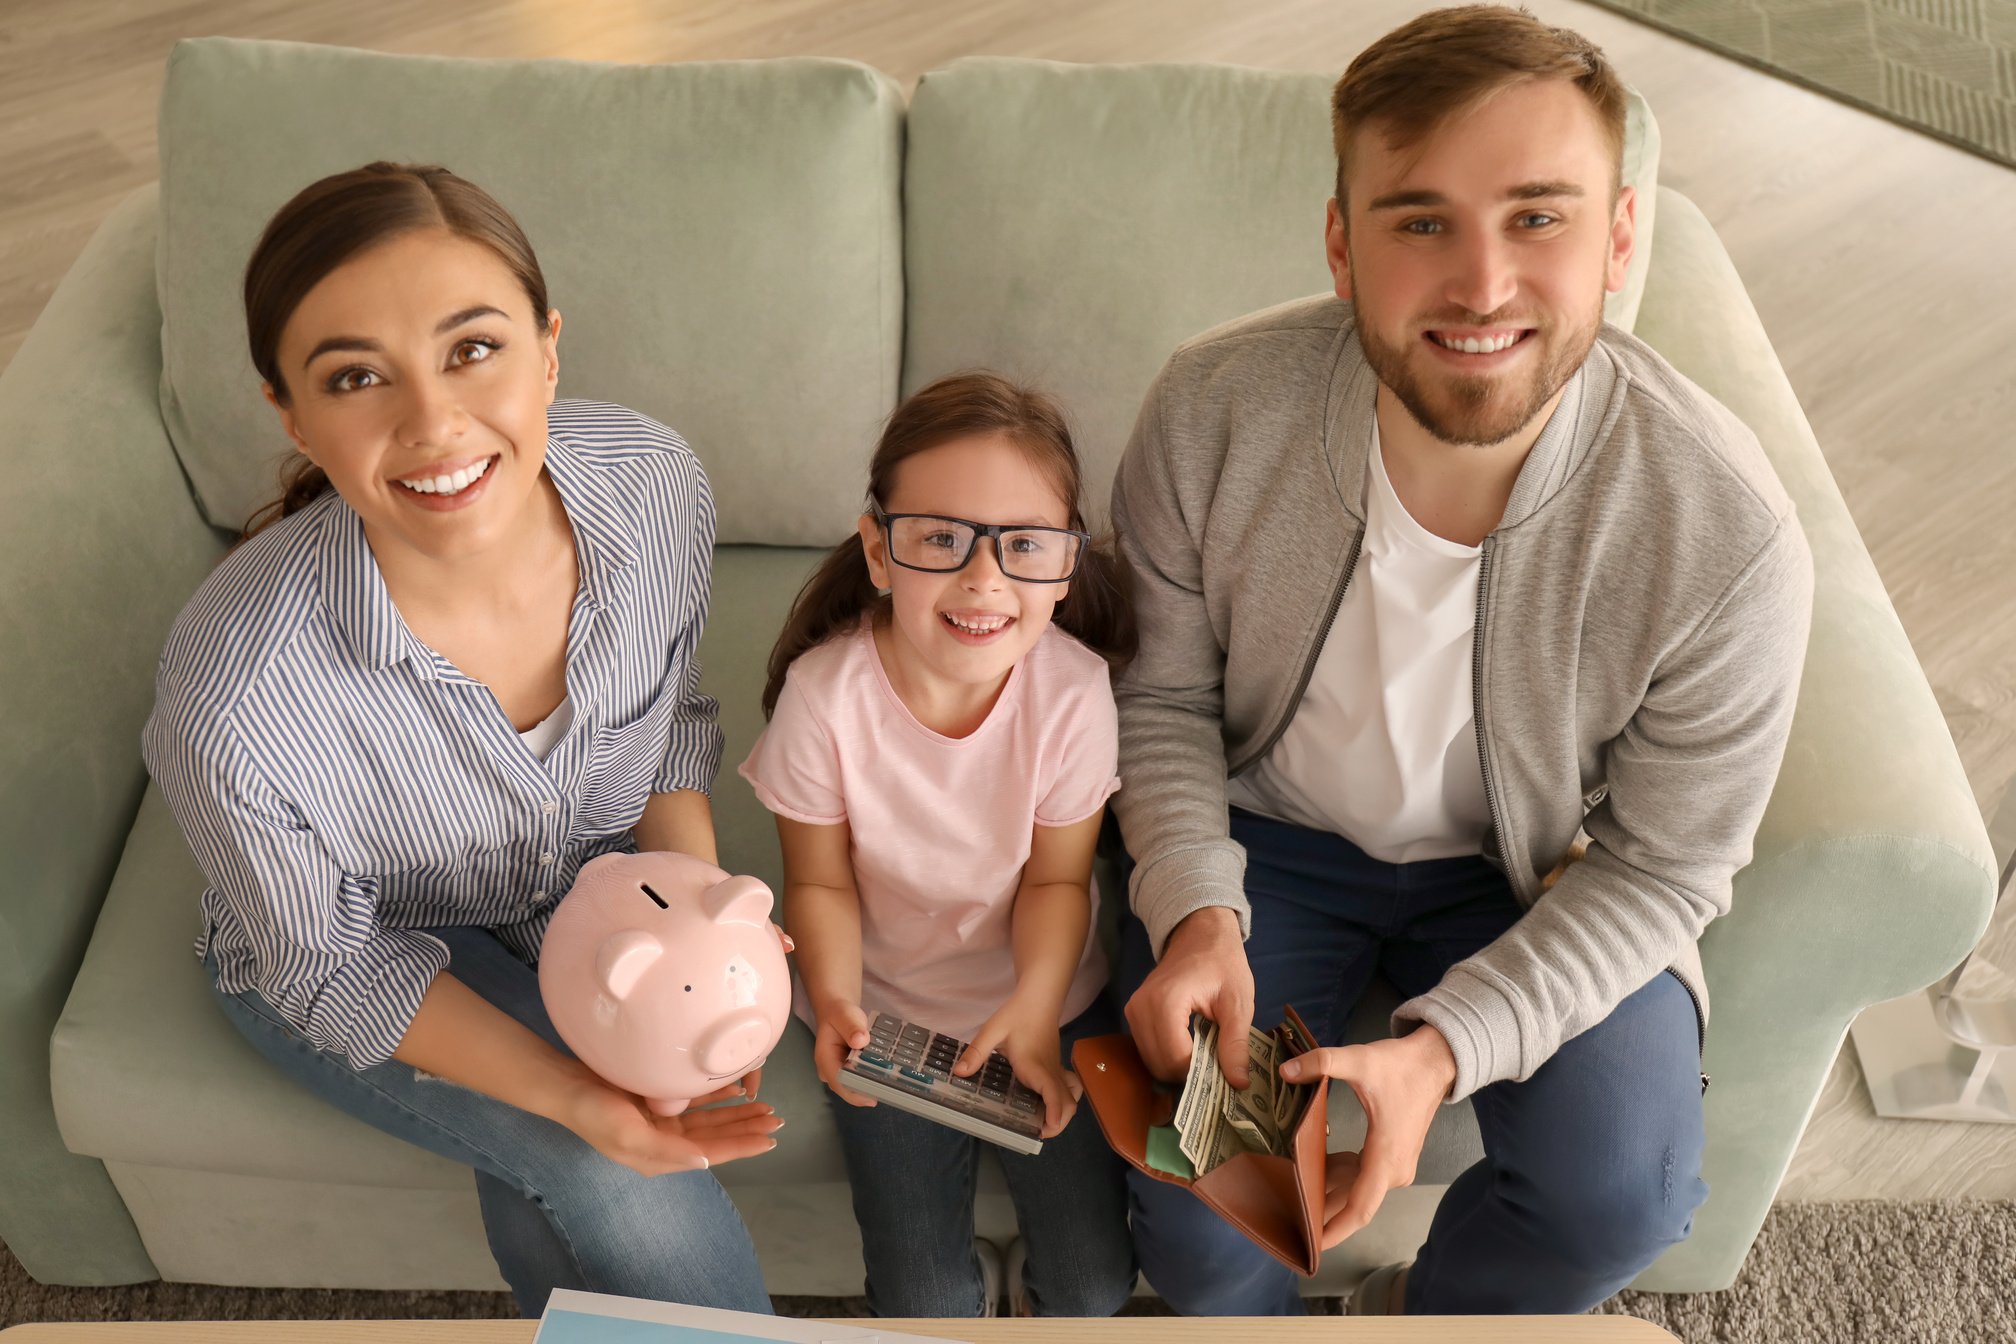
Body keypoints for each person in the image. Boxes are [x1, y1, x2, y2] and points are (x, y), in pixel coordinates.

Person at [1108, 6, 1814, 1317]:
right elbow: (1157, 703)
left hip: (1538, 872)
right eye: (1421, 221)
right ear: (1341, 245)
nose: (1481, 286)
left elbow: (1669, 862)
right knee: (1207, 1234)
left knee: (1623, 1192)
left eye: (1537, 218)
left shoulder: (1725, 528)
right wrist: (1196, 907)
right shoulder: (1210, 409)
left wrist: (1448, 1050)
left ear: (1617, 241)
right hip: (1273, 850)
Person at [143, 162, 783, 1317]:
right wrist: (574, 1097)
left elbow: (670, 727)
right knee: (612, 1178)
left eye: (472, 348)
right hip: (362, 947)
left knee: (575, 1187)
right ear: (289, 412)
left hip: (589, 892)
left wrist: (695, 940)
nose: (433, 422)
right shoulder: (234, 693)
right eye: (354, 376)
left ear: (547, 348)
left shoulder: (653, 486)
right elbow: (327, 965)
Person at [739, 373, 1138, 1318]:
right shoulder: (824, 695)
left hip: (1054, 1004)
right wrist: (835, 1001)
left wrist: (1036, 1009)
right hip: (887, 1014)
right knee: (922, 1299)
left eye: (1024, 546)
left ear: (1065, 565)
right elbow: (821, 884)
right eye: (941, 538)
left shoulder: (1075, 693)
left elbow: (1057, 881)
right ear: (880, 550)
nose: (983, 579)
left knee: (1092, 1290)